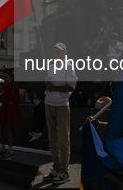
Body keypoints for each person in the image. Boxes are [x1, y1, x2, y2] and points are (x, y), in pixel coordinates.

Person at [43, 43, 77, 184]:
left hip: (62, 105)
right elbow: (48, 84)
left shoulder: (69, 65)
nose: (57, 54)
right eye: (55, 51)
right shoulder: (51, 66)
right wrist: (48, 85)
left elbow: (72, 86)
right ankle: (56, 167)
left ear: (65, 52)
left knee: (63, 138)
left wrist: (54, 88)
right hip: (49, 103)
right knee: (52, 139)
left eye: (59, 52)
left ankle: (64, 170)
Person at [0, 68, 21, 160]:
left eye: (7, 77)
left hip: (10, 110)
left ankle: (11, 151)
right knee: (2, 129)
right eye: (4, 78)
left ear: (12, 77)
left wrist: (4, 94)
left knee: (7, 129)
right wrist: (6, 98)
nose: (5, 79)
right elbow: (2, 99)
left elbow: (9, 98)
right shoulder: (6, 86)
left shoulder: (14, 86)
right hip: (5, 108)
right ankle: (3, 149)